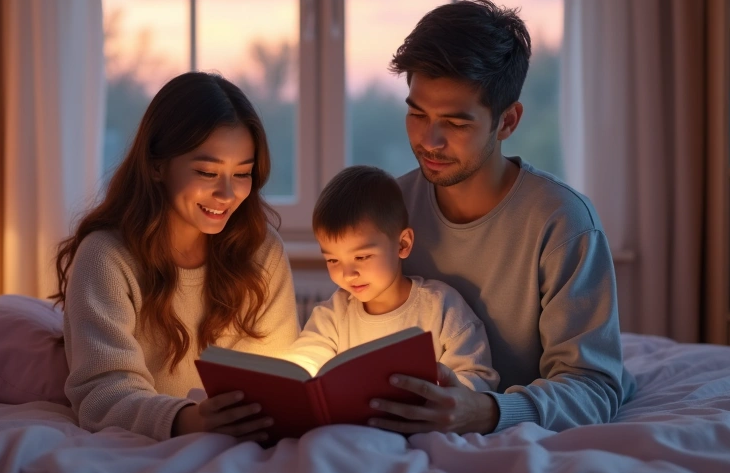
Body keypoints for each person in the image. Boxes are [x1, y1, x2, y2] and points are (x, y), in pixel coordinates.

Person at [368, 0, 635, 435]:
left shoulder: (564, 222)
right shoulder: (389, 207)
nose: (429, 140)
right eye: (417, 114)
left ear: (507, 121)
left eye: (455, 124)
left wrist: (485, 411)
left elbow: (595, 387)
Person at [53, 72, 300, 443]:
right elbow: (101, 392)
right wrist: (189, 420)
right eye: (206, 172)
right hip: (155, 445)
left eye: (243, 174)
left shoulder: (262, 251)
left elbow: (275, 374)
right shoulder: (106, 257)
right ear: (157, 165)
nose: (227, 193)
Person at [283, 165, 499, 394]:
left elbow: (477, 376)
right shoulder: (333, 316)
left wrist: (445, 398)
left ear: (403, 244)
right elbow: (304, 361)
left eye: (362, 256)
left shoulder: (441, 307)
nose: (347, 274)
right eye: (333, 260)